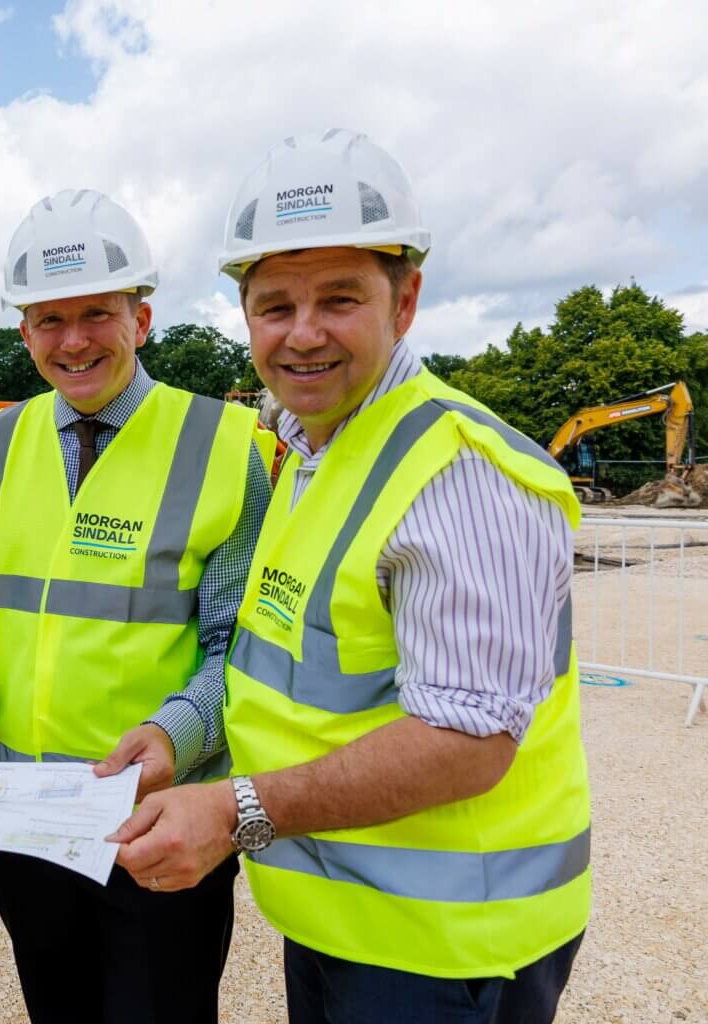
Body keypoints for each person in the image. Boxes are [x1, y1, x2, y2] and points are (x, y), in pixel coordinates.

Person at [111, 131, 591, 1023]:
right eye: (274, 305)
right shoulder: (311, 451)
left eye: (339, 299)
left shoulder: (461, 470)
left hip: (447, 952)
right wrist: (185, 737)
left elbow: (468, 738)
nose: (302, 334)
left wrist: (235, 811)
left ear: (405, 301)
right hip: (349, 924)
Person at [0, 189, 272, 1024]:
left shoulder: (225, 446)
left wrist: (178, 734)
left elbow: (239, 646)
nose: (74, 340)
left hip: (159, 817)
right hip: (25, 824)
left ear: (142, 316)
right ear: (24, 332)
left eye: (97, 312)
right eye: (49, 320)